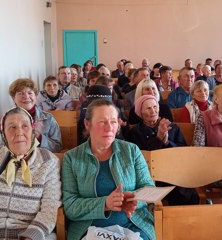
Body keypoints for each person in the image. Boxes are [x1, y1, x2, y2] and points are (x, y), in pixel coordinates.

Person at [62, 99, 155, 240]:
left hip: (133, 225)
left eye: (113, 122)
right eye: (102, 122)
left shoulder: (131, 150)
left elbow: (149, 188)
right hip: (89, 229)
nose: (109, 128)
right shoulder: (72, 158)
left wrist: (131, 199)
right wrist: (105, 203)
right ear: (87, 124)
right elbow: (70, 206)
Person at [0, 107, 61, 239]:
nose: (19, 132)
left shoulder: (48, 161)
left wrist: (31, 236)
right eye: (12, 127)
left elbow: (50, 208)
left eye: (25, 126)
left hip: (28, 234)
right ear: (3, 134)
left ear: (33, 132)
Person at [126, 95, 199, 205]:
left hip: (173, 173)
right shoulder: (135, 132)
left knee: (188, 195)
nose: (153, 111)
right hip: (149, 175)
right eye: (148, 108)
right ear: (140, 112)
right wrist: (159, 139)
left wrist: (167, 142)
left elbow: (182, 152)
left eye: (155, 107)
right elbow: (140, 157)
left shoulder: (172, 127)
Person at [0, 78, 62, 153]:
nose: (26, 97)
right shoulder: (7, 120)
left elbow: (57, 148)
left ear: (35, 96)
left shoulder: (48, 119)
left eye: (30, 93)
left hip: (41, 162)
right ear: (14, 99)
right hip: (15, 161)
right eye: (20, 93)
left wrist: (39, 138)